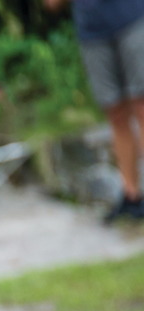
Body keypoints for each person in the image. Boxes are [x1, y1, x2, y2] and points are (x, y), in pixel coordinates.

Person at [45, 0, 144, 223]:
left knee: (141, 105)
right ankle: (132, 196)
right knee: (115, 113)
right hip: (92, 31)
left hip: (134, 18)